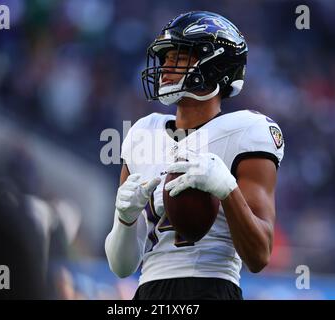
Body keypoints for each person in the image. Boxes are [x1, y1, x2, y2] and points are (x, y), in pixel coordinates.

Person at [105, 10, 285, 300]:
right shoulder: (142, 132)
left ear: (215, 66)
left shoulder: (248, 131)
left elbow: (259, 256)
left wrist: (228, 190)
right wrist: (124, 219)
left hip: (213, 287)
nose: (164, 67)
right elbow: (122, 267)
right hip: (148, 292)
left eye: (178, 57)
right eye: (165, 58)